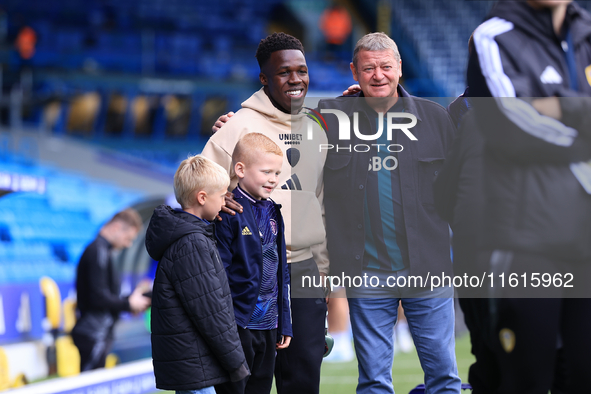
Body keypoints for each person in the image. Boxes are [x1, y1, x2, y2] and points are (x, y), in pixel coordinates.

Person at [318, 32, 461, 393]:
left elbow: (464, 184)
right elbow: (280, 150)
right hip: (365, 271)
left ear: (399, 68)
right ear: (354, 71)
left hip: (428, 268)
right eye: (368, 68)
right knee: (374, 382)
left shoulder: (435, 118)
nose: (378, 75)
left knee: (444, 377)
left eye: (385, 66)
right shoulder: (331, 120)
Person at [467, 0, 591, 392]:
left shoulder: (587, 31)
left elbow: (536, 116)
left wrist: (560, 107)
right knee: (527, 381)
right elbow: (512, 124)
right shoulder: (493, 37)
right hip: (526, 240)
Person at [202, 32, 328, 394]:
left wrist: (326, 271)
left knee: (303, 380)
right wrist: (217, 196)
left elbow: (321, 202)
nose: (296, 80)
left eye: (302, 71)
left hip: (304, 269)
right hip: (249, 271)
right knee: (247, 382)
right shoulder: (236, 127)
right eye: (285, 72)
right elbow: (195, 187)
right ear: (264, 79)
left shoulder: (316, 128)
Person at [145, 155, 250, 393]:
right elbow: (210, 310)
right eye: (222, 195)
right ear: (202, 197)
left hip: (192, 361)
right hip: (193, 363)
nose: (225, 201)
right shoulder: (192, 244)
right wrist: (237, 363)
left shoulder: (191, 237)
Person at [214, 133, 292, 394]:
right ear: (240, 170)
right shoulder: (228, 211)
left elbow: (282, 274)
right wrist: (226, 325)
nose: (273, 179)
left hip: (270, 326)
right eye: (266, 171)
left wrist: (285, 321)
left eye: (277, 173)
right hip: (239, 325)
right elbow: (220, 275)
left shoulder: (273, 210)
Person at [71, 208, 151, 372]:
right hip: (93, 333)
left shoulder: (102, 252)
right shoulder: (97, 251)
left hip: (97, 332)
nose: (128, 244)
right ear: (116, 228)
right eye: (128, 238)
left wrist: (131, 300)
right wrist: (128, 304)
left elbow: (105, 296)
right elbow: (98, 297)